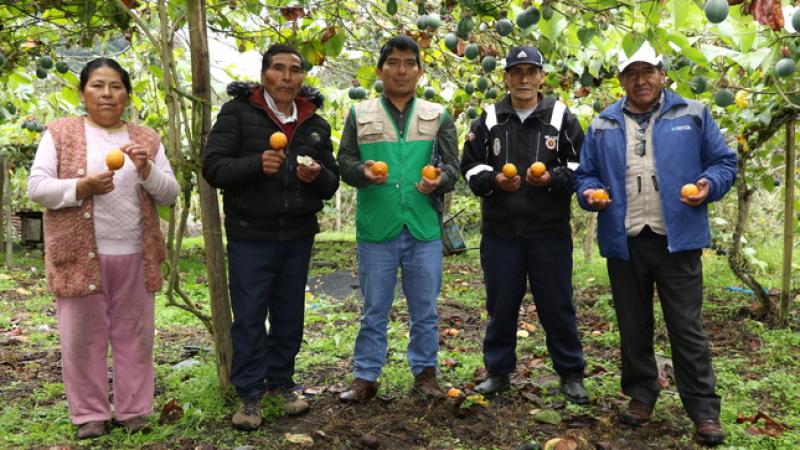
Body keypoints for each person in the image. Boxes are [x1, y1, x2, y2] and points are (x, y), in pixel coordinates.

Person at [574, 42, 736, 446]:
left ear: (662, 73)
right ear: (621, 80)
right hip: (625, 238)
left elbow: (724, 163)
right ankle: (641, 395)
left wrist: (708, 186)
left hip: (676, 239)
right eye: (631, 73)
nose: (640, 80)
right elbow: (585, 175)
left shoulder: (693, 114)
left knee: (687, 328)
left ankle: (703, 410)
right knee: (633, 326)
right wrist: (591, 194)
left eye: (647, 71)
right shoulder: (603, 123)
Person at [27, 57, 179, 439]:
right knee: (81, 338)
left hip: (135, 254)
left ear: (126, 94)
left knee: (135, 336)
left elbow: (170, 194)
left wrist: (146, 170)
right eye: (97, 85)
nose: (107, 93)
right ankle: (89, 415)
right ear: (83, 92)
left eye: (115, 86)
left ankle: (135, 411)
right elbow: (37, 187)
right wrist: (82, 188)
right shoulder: (60, 133)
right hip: (79, 256)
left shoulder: (146, 139)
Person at [202, 44, 339, 430]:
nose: (286, 77)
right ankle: (248, 394)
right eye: (278, 69)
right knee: (248, 315)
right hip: (250, 232)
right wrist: (255, 164)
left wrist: (317, 177)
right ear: (264, 74)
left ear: (302, 78)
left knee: (289, 313)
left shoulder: (315, 123)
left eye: (294, 70)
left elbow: (331, 183)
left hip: (297, 233)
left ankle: (281, 383)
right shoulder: (238, 113)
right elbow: (213, 167)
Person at [460, 46, 588, 403]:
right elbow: (470, 165)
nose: (524, 79)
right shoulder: (488, 118)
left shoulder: (561, 117)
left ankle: (570, 372)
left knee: (557, 304)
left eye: (531, 71)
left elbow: (581, 166)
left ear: (542, 76)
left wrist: (552, 178)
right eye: (516, 72)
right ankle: (498, 372)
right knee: (501, 305)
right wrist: (493, 180)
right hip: (501, 230)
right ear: (506, 78)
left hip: (549, 231)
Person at [336, 35, 459, 402]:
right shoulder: (360, 113)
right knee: (374, 308)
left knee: (425, 309)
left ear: (420, 72)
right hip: (378, 226)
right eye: (393, 63)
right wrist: (362, 173)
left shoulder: (438, 115)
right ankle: (366, 377)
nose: (401, 70)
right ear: (380, 70)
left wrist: (438, 180)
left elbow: (453, 167)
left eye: (409, 63)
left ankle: (425, 374)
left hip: (423, 227)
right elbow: (344, 162)